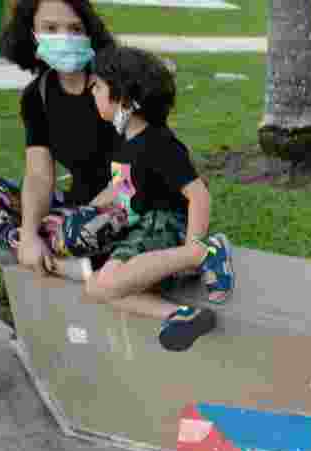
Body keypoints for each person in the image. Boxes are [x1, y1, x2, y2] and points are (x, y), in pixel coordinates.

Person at [84, 45, 233, 351]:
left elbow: (198, 194)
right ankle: (181, 315)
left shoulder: (158, 143)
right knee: (95, 286)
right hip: (141, 230)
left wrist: (191, 248)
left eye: (97, 86)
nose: (92, 93)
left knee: (109, 282)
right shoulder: (125, 142)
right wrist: (84, 212)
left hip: (164, 225)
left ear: (124, 97)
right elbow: (120, 188)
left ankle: (205, 253)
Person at [0, 0, 125, 278]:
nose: (65, 37)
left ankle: (35, 247)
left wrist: (75, 217)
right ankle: (38, 249)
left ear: (89, 33)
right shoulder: (37, 95)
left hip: (121, 203)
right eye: (50, 28)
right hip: (72, 206)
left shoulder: (116, 86)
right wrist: (29, 233)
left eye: (75, 28)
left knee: (80, 230)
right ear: (31, 32)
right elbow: (39, 175)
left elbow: (131, 176)